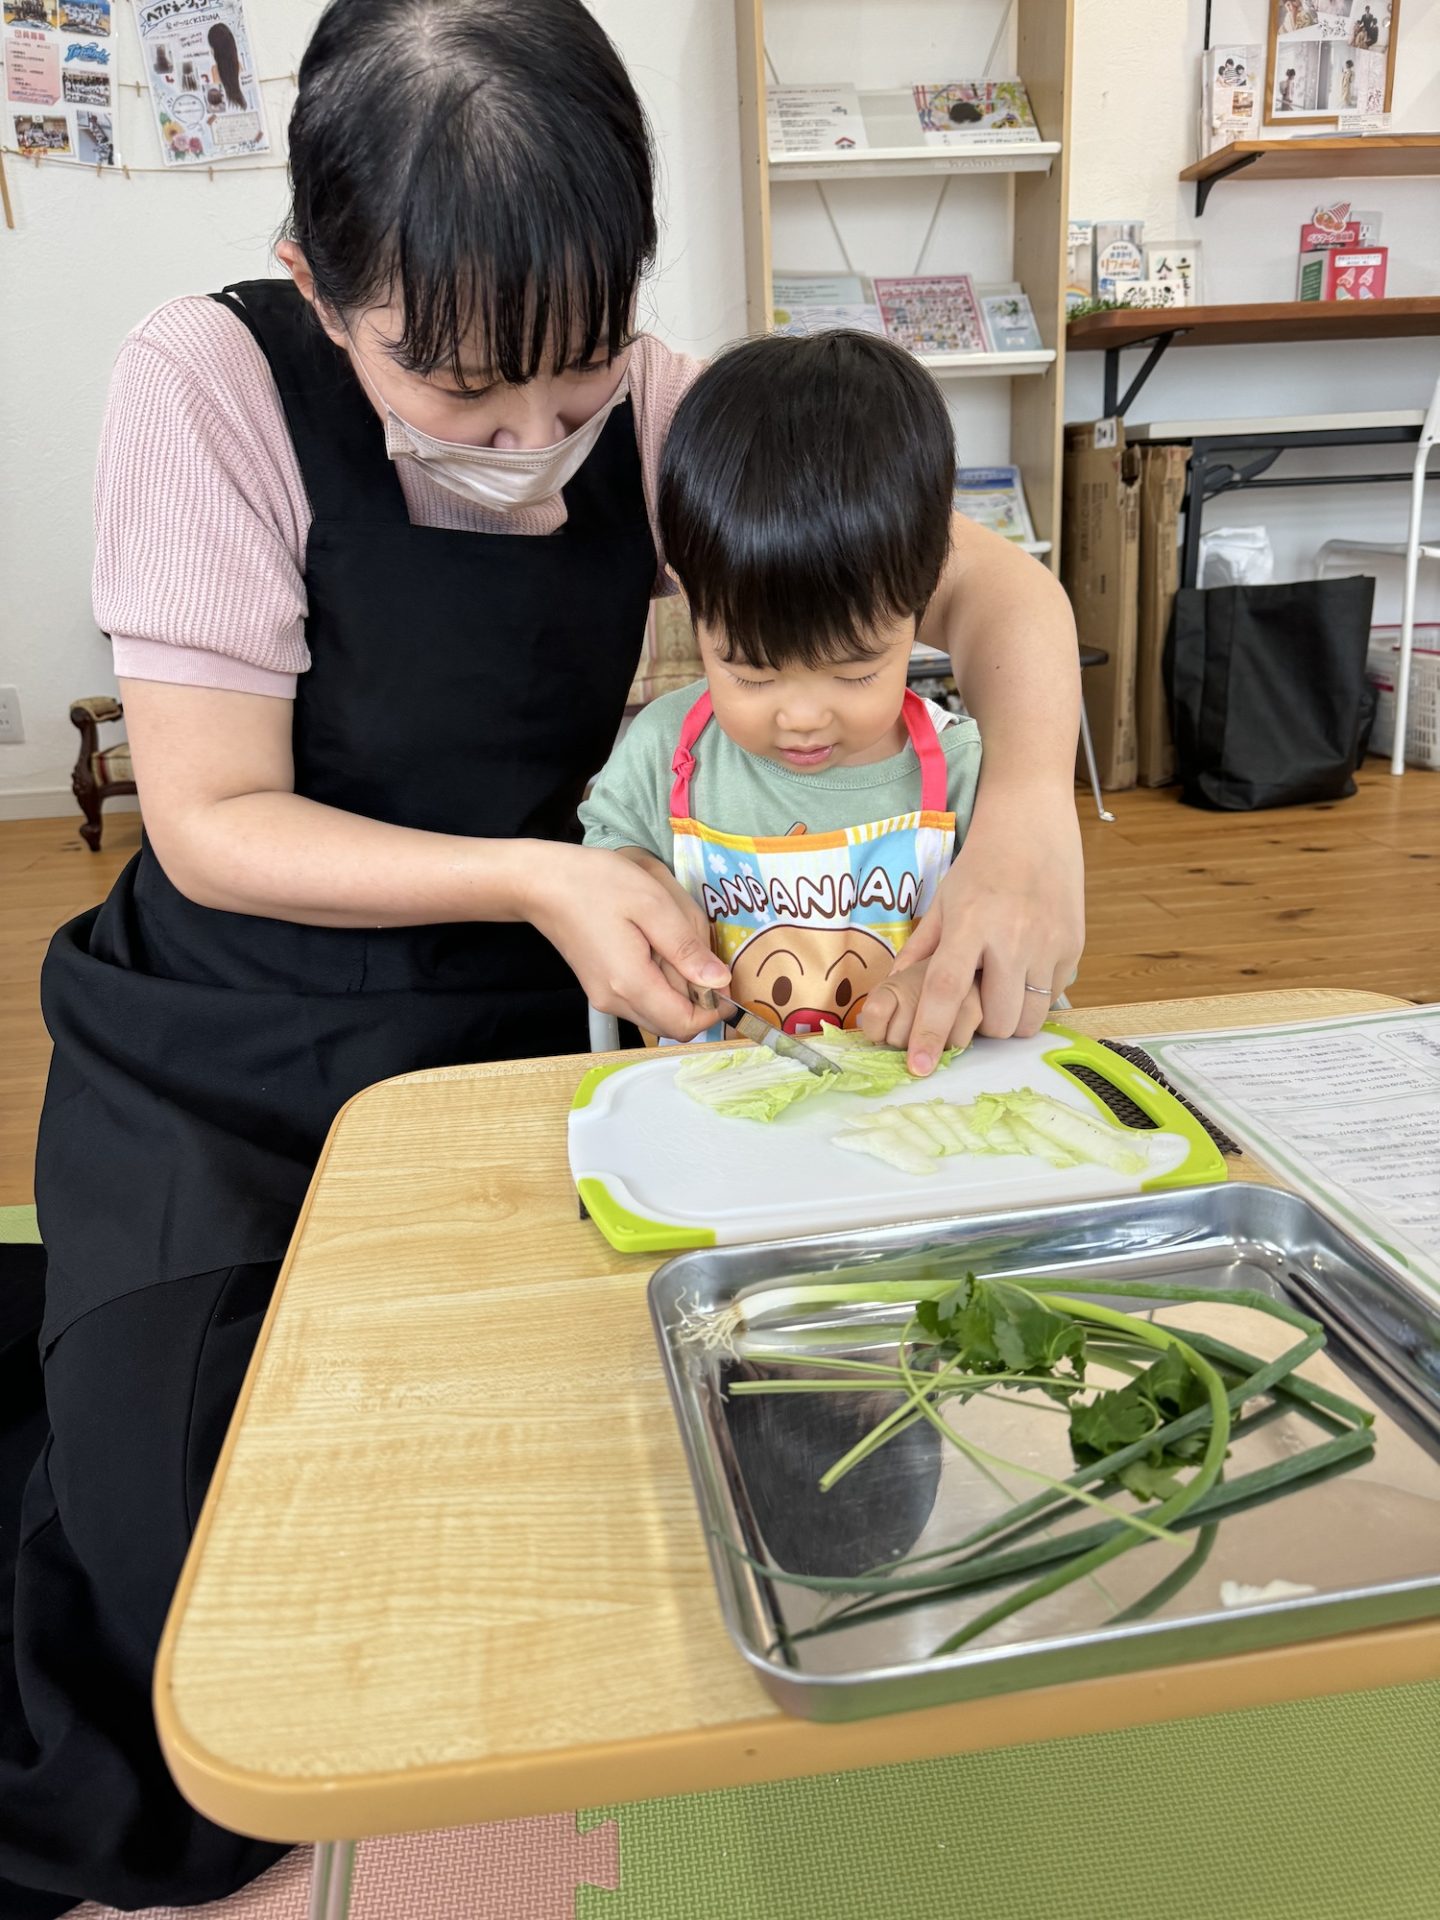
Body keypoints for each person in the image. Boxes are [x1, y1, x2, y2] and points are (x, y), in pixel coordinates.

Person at [0, 0, 1082, 1912]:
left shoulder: (657, 401)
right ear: (316, 288)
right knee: (203, 1613)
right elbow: (214, 820)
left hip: (536, 1019)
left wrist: (1021, 827)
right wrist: (537, 873)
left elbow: (988, 577)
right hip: (229, 1031)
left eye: (573, 390)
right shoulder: (206, 383)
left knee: (820, 1499)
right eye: (463, 397)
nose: (529, 445)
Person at [580, 330, 987, 1048]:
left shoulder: (963, 773)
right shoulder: (664, 752)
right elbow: (608, 844)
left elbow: (1017, 952)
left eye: (857, 669)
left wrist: (961, 983)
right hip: (716, 1112)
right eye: (752, 672)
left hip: (910, 1111)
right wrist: (639, 881)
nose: (802, 717)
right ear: (689, 602)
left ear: (922, 603)